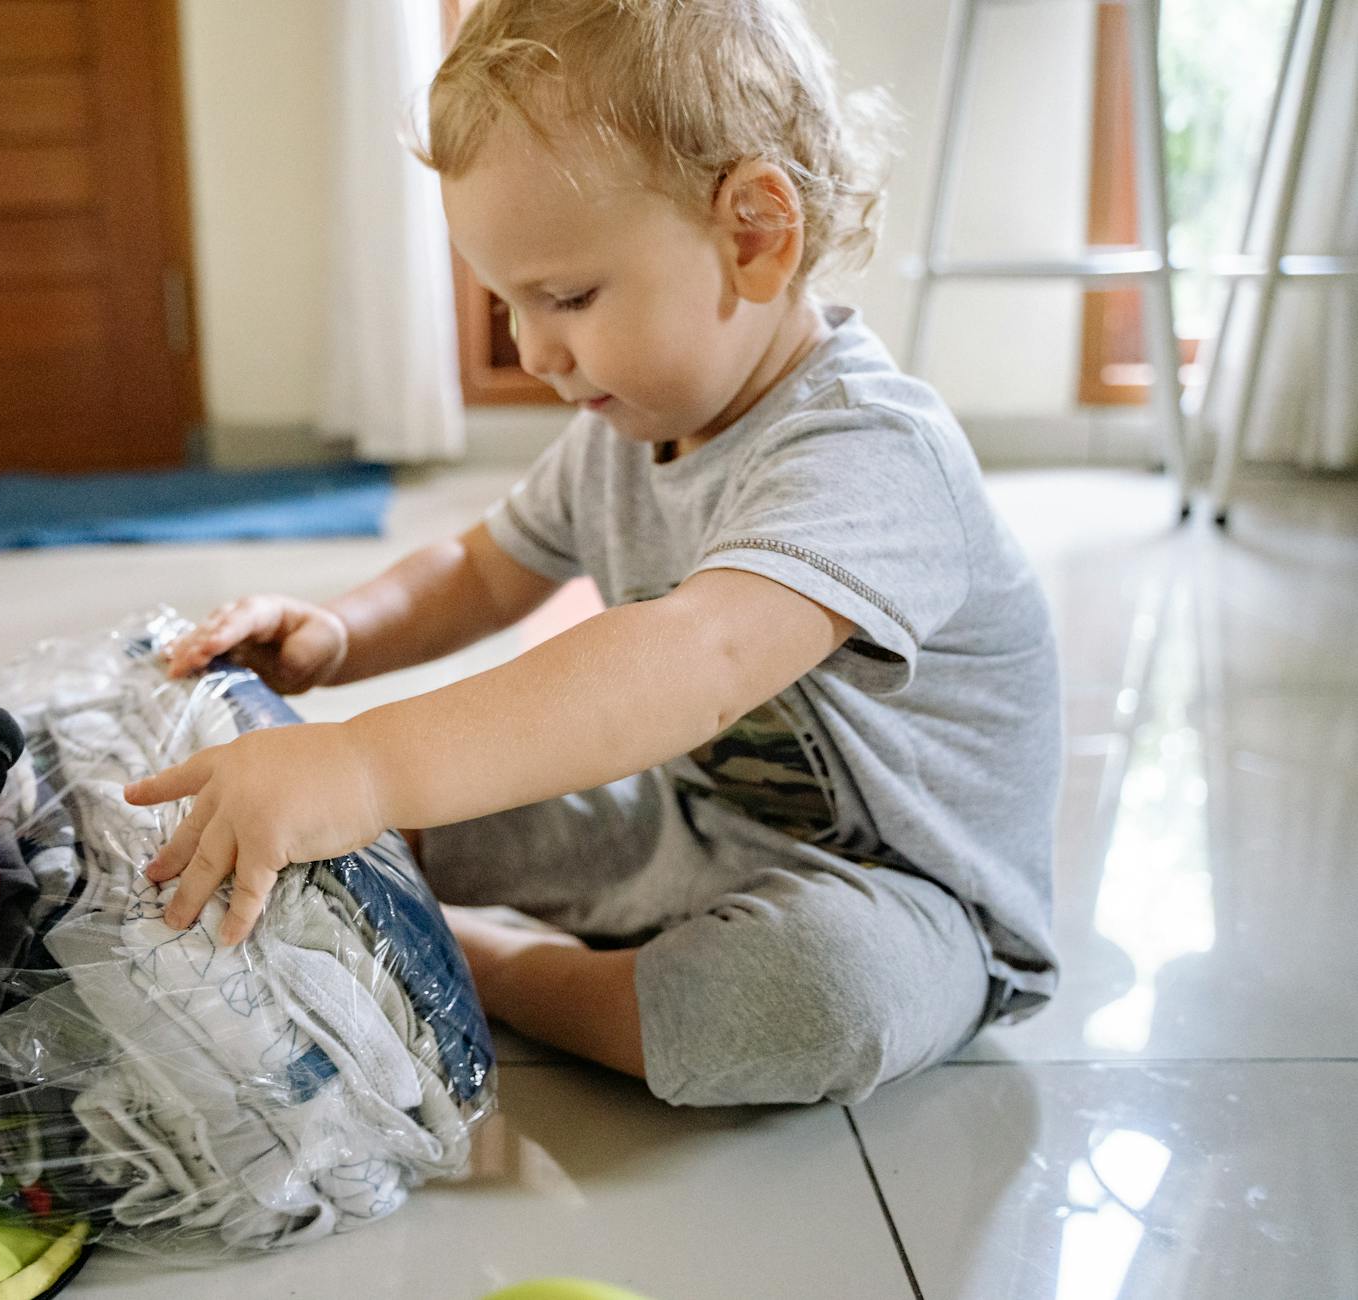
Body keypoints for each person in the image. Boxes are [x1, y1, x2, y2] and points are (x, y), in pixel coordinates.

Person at [124, 0, 1061, 1107]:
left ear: (756, 235)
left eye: (566, 297)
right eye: (507, 303)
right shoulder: (626, 435)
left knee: (810, 996)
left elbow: (701, 656)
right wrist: (338, 638)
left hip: (907, 903)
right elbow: (481, 571)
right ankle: (346, 881)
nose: (533, 350)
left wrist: (364, 763)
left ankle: (474, 965)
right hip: (693, 830)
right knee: (430, 805)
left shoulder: (871, 452)